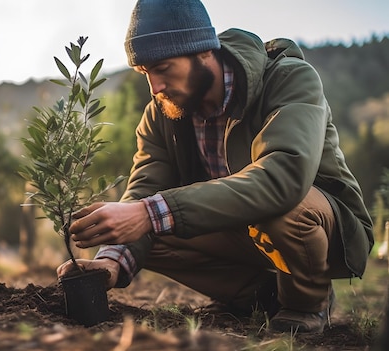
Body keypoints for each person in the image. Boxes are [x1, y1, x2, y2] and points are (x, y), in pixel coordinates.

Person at [56, 0, 374, 334]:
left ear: (205, 51)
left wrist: (149, 213)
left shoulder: (288, 79)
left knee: (283, 210)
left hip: (322, 227)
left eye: (163, 68)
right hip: (241, 230)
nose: (155, 88)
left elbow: (284, 177)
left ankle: (306, 303)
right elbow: (144, 191)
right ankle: (262, 296)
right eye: (146, 73)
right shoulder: (162, 112)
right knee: (138, 226)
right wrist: (112, 261)